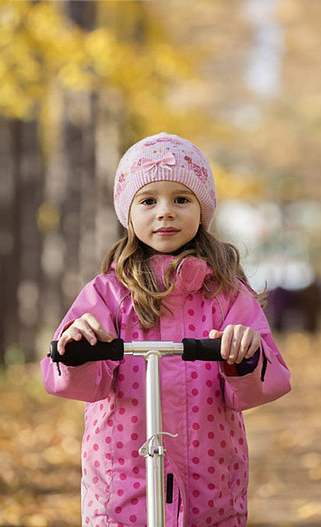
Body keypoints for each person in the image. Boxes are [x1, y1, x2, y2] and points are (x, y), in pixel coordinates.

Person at [41, 132, 291, 527]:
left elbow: (266, 378)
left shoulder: (226, 294)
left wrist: (244, 356)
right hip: (123, 473)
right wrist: (76, 348)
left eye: (181, 199)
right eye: (148, 200)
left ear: (202, 209)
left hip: (208, 475)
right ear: (129, 213)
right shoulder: (107, 293)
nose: (165, 212)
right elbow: (80, 382)